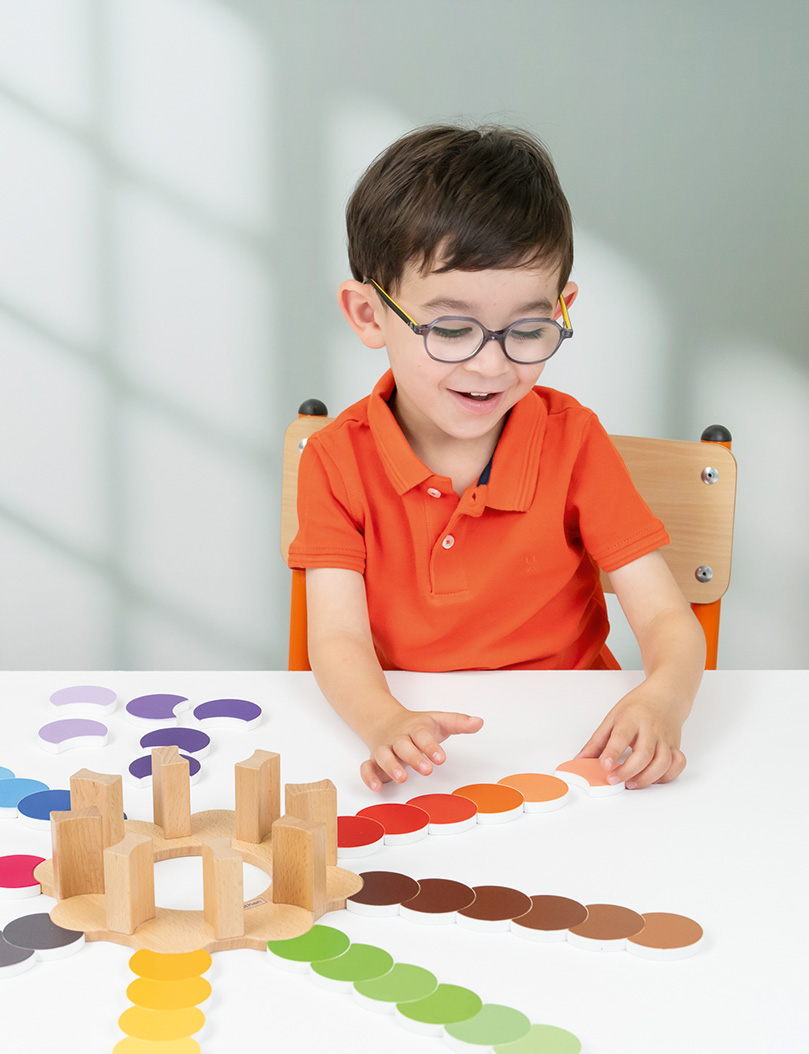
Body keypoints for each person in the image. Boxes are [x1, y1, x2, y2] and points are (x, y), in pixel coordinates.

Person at [288, 123, 706, 795]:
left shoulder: (573, 440)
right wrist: (383, 720)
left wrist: (663, 700)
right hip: (421, 748)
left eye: (528, 329)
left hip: (571, 746)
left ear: (562, 309)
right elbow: (337, 639)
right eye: (452, 329)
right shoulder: (337, 460)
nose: (490, 365)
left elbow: (665, 619)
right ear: (369, 315)